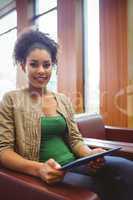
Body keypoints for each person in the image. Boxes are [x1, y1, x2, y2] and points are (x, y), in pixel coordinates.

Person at [0, 29, 133, 200]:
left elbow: (75, 140)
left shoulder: (62, 99)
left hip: (76, 164)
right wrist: (38, 169)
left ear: (52, 66)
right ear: (22, 65)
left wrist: (89, 154)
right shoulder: (11, 99)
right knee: (107, 187)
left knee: (128, 169)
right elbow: (4, 151)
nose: (41, 70)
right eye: (34, 64)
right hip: (50, 173)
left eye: (46, 65)